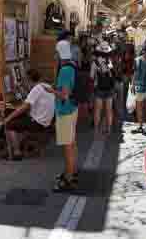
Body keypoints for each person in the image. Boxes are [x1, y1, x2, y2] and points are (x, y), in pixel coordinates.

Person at [3, 69, 55, 160]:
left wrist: (7, 119)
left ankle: (16, 152)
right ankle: (19, 144)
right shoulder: (46, 86)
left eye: (25, 80)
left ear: (28, 80)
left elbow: (24, 107)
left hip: (38, 122)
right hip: (47, 120)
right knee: (15, 116)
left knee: (10, 124)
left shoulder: (36, 89)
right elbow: (33, 99)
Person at [52, 39, 78, 192]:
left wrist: (51, 91)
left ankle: (69, 178)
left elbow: (64, 95)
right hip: (72, 109)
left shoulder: (64, 70)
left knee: (68, 146)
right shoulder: (73, 66)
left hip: (65, 111)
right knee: (72, 143)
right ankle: (71, 171)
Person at [90, 41, 115, 136]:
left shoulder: (95, 62)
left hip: (99, 88)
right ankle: (108, 129)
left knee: (98, 110)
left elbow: (91, 77)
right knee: (109, 110)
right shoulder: (109, 61)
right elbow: (112, 75)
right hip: (109, 88)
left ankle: (96, 130)